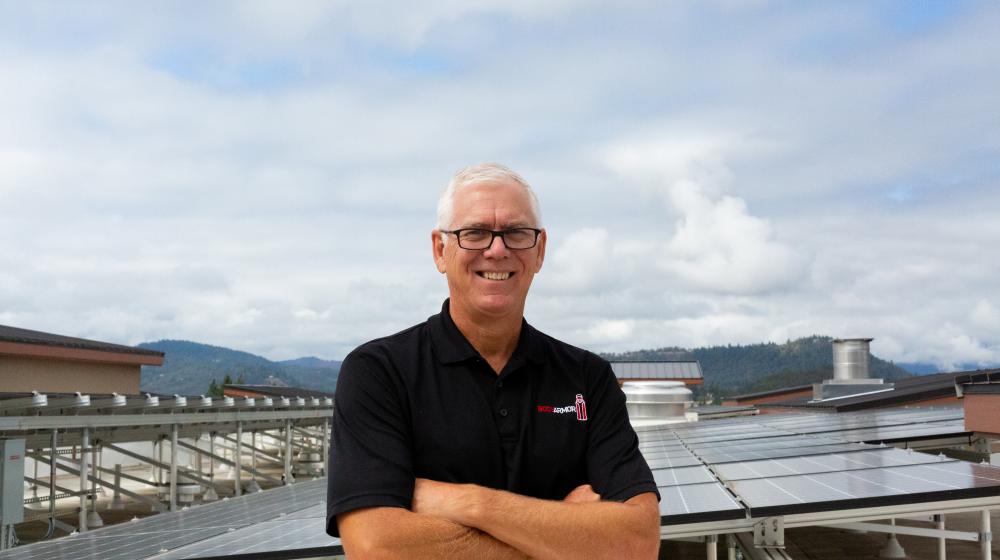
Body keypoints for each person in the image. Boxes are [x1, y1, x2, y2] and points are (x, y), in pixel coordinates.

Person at [326, 163, 660, 559]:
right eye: (475, 233)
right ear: (440, 250)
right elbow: (375, 546)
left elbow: (637, 543)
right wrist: (565, 540)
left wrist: (469, 504)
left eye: (517, 233)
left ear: (539, 251)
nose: (497, 249)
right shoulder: (379, 372)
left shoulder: (587, 377)